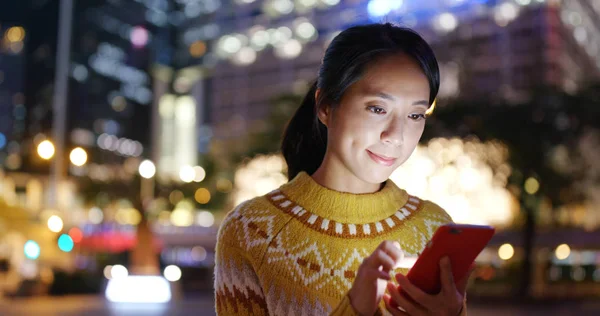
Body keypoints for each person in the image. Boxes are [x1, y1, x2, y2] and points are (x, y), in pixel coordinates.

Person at [214, 23, 470, 316]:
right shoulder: (252, 230)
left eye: (414, 115)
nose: (396, 135)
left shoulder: (434, 228)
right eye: (377, 108)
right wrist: (355, 309)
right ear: (325, 106)